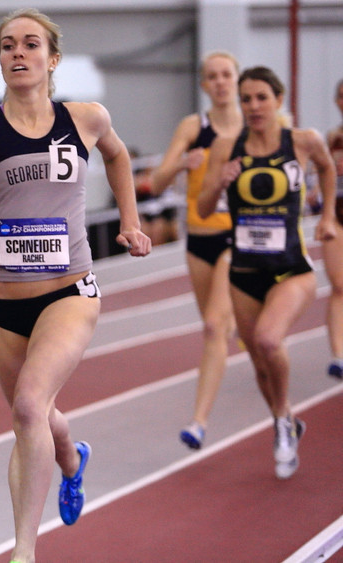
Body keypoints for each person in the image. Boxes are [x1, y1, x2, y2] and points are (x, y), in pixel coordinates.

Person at [0, 8, 151, 563]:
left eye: (30, 45)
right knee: (37, 412)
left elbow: (118, 156)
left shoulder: (85, 119)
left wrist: (130, 222)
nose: (18, 53)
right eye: (7, 45)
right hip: (1, 304)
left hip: (69, 292)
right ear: (0, 58)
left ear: (52, 59)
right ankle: (72, 459)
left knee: (29, 406)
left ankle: (24, 552)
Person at [197, 65, 338, 479]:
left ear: (279, 100)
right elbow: (203, 210)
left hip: (292, 269)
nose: (254, 106)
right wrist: (220, 182)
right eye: (246, 99)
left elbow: (328, 168)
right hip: (243, 271)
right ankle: (286, 418)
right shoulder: (227, 145)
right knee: (259, 363)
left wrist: (327, 216)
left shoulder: (303, 141)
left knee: (268, 339)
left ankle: (280, 423)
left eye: (262, 97)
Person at [149, 51, 243, 449]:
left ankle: (198, 421)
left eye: (226, 75)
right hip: (199, 238)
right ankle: (242, 329)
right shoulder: (194, 126)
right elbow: (155, 182)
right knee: (216, 327)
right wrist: (183, 165)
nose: (220, 82)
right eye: (212, 77)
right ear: (204, 85)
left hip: (238, 238)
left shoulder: (254, 125)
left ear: (236, 80)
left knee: (212, 328)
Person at [324, 78, 343, 378]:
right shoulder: (332, 137)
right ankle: (339, 355)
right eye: (341, 96)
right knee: (339, 285)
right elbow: (323, 170)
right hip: (337, 213)